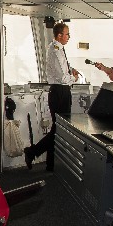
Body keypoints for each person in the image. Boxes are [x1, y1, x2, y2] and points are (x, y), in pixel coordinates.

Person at [24, 22, 78, 171]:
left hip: (58, 91)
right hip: (60, 91)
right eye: (67, 34)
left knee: (58, 128)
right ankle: (32, 151)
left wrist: (70, 72)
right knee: (59, 129)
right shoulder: (56, 50)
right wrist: (74, 78)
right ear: (59, 35)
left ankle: (50, 164)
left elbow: (61, 71)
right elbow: (62, 78)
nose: (68, 37)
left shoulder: (55, 48)